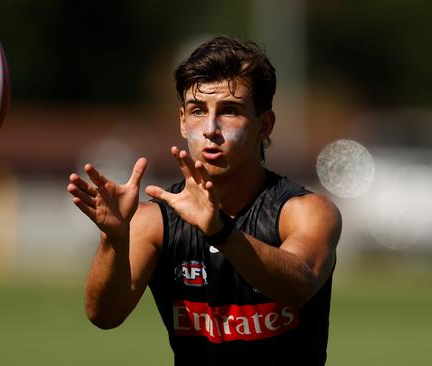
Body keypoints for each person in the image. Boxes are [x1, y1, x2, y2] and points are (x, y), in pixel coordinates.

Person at [67, 36, 341, 365]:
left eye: (229, 111)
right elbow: (104, 316)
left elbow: (299, 285)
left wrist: (221, 231)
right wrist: (113, 238)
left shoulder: (305, 211)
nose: (211, 128)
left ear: (264, 125)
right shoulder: (155, 221)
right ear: (182, 121)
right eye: (198, 111)